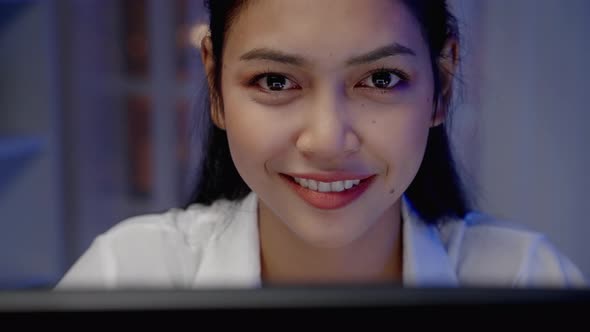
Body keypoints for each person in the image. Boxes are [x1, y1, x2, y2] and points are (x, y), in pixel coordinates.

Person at [56, 0, 586, 289]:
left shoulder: (524, 282)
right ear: (215, 86)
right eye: (276, 81)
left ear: (441, 88)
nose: (328, 140)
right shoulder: (129, 276)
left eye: (380, 79)